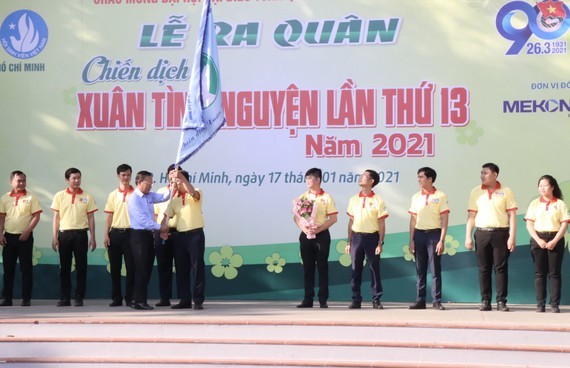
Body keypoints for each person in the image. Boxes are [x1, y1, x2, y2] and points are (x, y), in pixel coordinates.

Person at [465, 163, 517, 312]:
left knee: (500, 268)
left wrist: (512, 237)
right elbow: (471, 216)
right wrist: (468, 236)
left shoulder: (506, 191)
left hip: (501, 233)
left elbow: (512, 216)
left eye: (485, 173)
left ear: (495, 175)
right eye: (481, 173)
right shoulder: (475, 192)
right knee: (483, 268)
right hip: (481, 233)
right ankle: (485, 301)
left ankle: (501, 301)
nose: (482, 175)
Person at [51, 167, 98, 307]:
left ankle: (79, 297)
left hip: (81, 234)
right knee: (65, 267)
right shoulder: (59, 195)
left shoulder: (87, 196)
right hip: (64, 235)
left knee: (81, 267)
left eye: (79, 177)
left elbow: (91, 218)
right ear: (67, 180)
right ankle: (65, 297)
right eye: (73, 178)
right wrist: (54, 237)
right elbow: (56, 218)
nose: (77, 180)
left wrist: (93, 237)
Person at [524, 175, 570, 313]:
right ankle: (540, 304)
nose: (542, 188)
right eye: (540, 185)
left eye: (545, 185)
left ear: (552, 187)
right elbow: (529, 224)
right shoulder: (534, 204)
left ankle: (554, 304)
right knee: (539, 273)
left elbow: (564, 224)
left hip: (555, 238)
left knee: (554, 273)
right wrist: (538, 240)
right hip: (538, 238)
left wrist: (555, 240)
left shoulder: (560, 204)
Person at [294, 168, 338, 309]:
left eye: (310, 178)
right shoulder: (303, 197)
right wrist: (304, 228)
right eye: (306, 178)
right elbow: (296, 217)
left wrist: (318, 229)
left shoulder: (327, 197)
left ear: (318, 180)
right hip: (306, 235)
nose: (307, 181)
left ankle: (323, 299)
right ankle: (308, 299)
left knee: (322, 267)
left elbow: (333, 218)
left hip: (322, 235)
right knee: (308, 268)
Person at [127, 170, 171, 310]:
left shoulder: (148, 196)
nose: (151, 186)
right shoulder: (134, 198)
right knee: (141, 269)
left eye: (152, 183)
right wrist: (160, 227)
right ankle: (139, 301)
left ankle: (137, 299)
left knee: (146, 268)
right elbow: (143, 220)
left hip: (147, 236)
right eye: (149, 183)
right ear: (139, 182)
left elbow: (164, 196)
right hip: (139, 236)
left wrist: (172, 184)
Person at [345, 169, 388, 309]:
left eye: (364, 176)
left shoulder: (378, 200)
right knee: (355, 269)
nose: (360, 177)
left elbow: (381, 223)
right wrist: (349, 242)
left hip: (372, 238)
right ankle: (356, 299)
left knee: (374, 268)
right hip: (357, 237)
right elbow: (351, 222)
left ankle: (376, 299)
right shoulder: (353, 199)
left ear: (371, 181)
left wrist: (380, 242)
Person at [408, 167, 449, 311]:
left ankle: (436, 300)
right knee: (420, 270)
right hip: (419, 235)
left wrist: (441, 240)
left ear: (430, 179)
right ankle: (420, 300)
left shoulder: (440, 196)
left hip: (434, 235)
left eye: (421, 177)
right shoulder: (415, 197)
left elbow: (444, 220)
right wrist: (411, 240)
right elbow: (413, 220)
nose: (419, 180)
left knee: (435, 269)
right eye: (418, 177)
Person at [0, 171, 42, 307]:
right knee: (8, 269)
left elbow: (36, 216)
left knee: (26, 268)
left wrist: (28, 231)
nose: (22, 183)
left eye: (24, 180)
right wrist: (0, 234)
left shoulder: (31, 197)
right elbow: (1, 218)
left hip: (25, 237)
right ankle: (7, 298)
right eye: (19, 181)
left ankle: (26, 298)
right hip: (8, 237)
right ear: (11, 182)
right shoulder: (4, 198)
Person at [170, 170, 206, 310]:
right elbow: (168, 217)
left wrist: (181, 177)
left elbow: (192, 192)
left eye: (177, 181)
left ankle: (198, 299)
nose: (175, 184)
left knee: (197, 268)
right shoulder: (174, 200)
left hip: (195, 235)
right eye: (173, 182)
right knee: (181, 269)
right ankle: (184, 299)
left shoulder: (196, 192)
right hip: (179, 236)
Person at [104, 164, 135, 307]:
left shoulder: (136, 194)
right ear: (118, 176)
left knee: (131, 268)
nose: (126, 178)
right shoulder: (112, 195)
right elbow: (109, 216)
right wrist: (106, 234)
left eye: (128, 175)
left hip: (131, 234)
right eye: (123, 175)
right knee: (115, 268)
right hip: (115, 233)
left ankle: (130, 298)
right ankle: (116, 298)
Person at [153, 164, 181, 307]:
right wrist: (159, 230)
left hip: (178, 233)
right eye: (171, 172)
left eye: (176, 172)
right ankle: (165, 298)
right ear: (167, 175)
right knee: (164, 267)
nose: (173, 175)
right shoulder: (161, 191)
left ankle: (184, 299)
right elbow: (156, 214)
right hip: (161, 233)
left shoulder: (183, 191)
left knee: (182, 267)